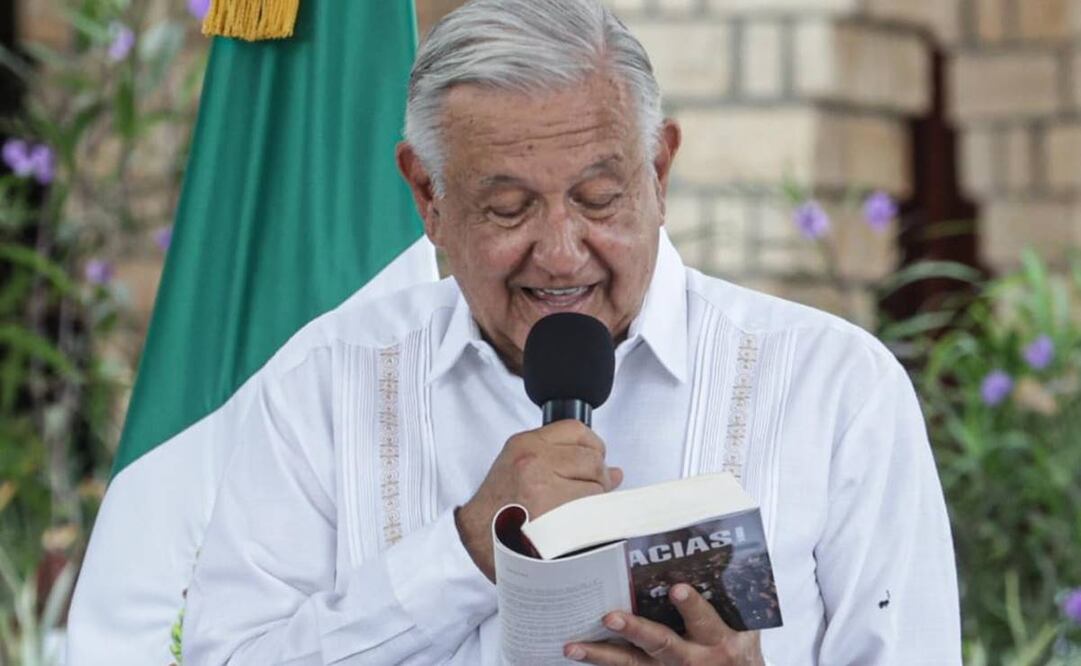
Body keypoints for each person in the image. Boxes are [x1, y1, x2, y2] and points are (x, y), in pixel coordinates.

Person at [183, 0, 961, 663]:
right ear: (427, 195)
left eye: (597, 199)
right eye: (508, 208)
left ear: (659, 171)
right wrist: (466, 548)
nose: (559, 253)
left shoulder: (833, 388)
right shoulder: (326, 384)